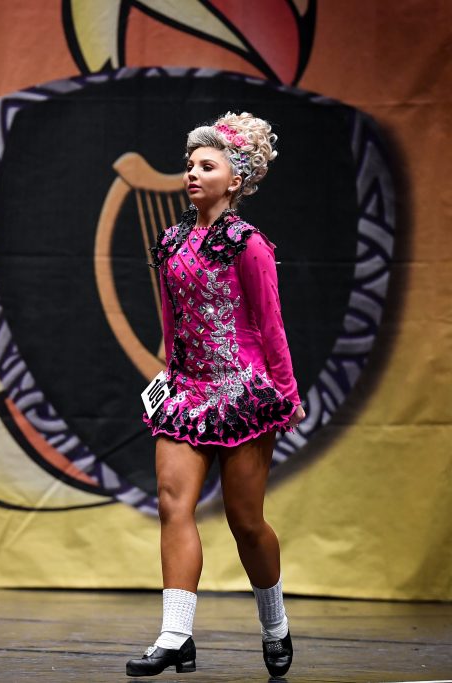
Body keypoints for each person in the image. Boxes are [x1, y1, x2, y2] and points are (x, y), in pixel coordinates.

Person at [126, 112, 304, 678]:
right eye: (189, 165)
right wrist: (167, 378)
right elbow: (171, 322)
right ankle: (176, 634)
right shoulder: (171, 241)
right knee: (172, 505)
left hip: (242, 391)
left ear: (235, 180)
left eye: (207, 165)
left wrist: (286, 393)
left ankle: (274, 622)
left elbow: (270, 323)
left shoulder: (248, 245)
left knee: (244, 519)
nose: (192, 174)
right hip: (186, 391)